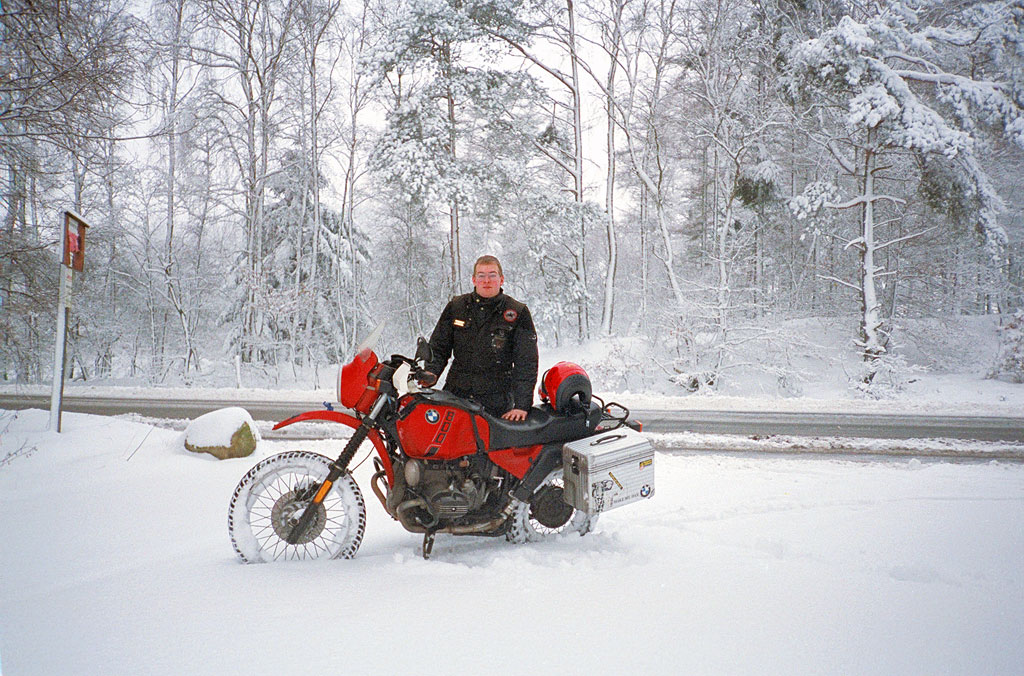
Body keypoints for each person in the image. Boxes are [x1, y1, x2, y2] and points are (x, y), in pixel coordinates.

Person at [420, 255, 539, 422]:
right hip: (456, 394)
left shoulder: (517, 312)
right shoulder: (457, 306)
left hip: (497, 401)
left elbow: (526, 362)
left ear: (501, 279)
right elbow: (439, 347)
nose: (487, 280)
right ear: (474, 280)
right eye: (481, 275)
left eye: (492, 275)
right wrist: (431, 372)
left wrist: (522, 405)